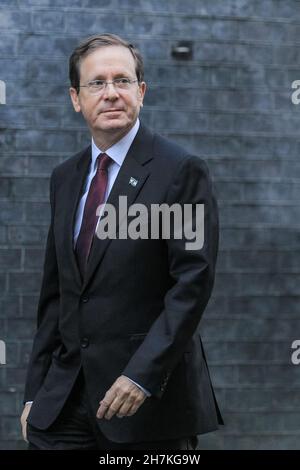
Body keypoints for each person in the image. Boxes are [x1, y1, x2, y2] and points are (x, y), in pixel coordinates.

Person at [20, 33, 223, 451]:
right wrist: (34, 393)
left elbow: (192, 285)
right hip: (65, 401)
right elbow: (56, 295)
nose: (111, 93)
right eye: (97, 83)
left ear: (141, 92)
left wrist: (140, 376)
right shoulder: (65, 178)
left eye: (123, 81)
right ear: (76, 98)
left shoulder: (181, 171)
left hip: (146, 406)